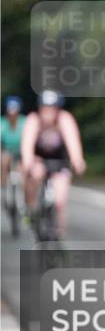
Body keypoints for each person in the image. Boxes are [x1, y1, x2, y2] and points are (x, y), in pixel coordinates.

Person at [21, 90, 86, 238]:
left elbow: (72, 141)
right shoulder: (33, 120)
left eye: (52, 109)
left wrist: (78, 160)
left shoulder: (65, 119)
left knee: (60, 200)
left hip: (59, 161)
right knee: (34, 175)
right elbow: (27, 144)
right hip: (39, 159)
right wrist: (28, 162)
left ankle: (59, 234)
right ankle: (31, 209)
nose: (48, 113)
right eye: (45, 109)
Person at [2, 96, 25, 229]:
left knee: (24, 169)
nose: (12, 116)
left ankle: (25, 197)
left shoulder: (24, 123)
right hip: (7, 152)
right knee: (4, 161)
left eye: (14, 112)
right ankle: (4, 189)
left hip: (22, 152)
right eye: (10, 113)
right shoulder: (2, 124)